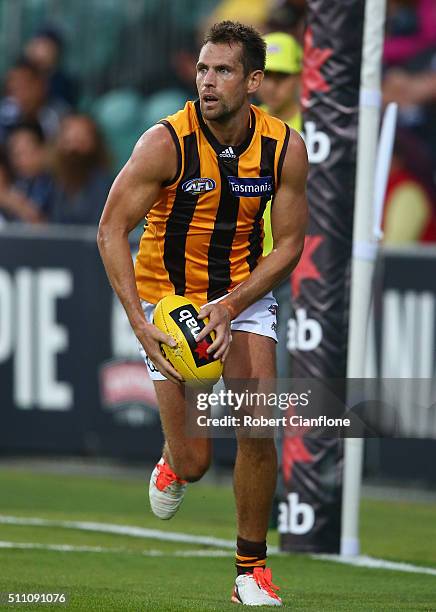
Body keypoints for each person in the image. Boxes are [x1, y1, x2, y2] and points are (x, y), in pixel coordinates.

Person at [98, 20, 307, 606]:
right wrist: (140, 323)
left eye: (223, 71)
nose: (207, 82)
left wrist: (234, 303)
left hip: (240, 297)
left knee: (258, 428)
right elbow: (111, 228)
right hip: (167, 303)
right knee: (196, 462)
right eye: (202, 69)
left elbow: (289, 244)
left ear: (255, 81)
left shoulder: (285, 147)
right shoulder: (164, 142)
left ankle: (251, 572)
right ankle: (173, 459)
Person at [49, 114, 113, 225]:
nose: (74, 148)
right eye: (68, 141)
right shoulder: (50, 184)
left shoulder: (107, 187)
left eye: (80, 141)